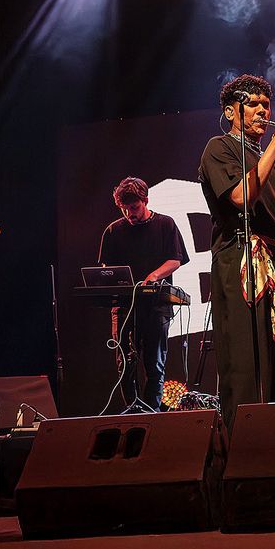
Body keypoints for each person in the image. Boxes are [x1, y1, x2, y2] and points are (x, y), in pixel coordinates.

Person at [198, 74, 275, 431]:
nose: (264, 111)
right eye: (255, 104)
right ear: (232, 111)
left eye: (267, 105)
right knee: (248, 365)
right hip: (241, 263)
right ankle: (242, 450)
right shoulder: (219, 148)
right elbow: (240, 198)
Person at [97, 176, 189, 411]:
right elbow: (106, 269)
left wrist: (154, 276)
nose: (130, 213)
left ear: (145, 200)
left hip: (156, 305)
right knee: (124, 363)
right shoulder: (113, 231)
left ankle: (152, 412)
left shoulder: (165, 224)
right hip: (124, 306)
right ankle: (132, 411)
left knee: (154, 362)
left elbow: (175, 259)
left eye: (134, 207)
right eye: (124, 209)